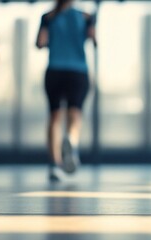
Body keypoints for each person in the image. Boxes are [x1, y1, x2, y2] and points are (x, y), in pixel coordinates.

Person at [36, 0, 96, 181]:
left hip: (55, 69)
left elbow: (40, 42)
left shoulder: (48, 16)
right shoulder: (86, 16)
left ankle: (55, 164)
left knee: (55, 116)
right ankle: (71, 140)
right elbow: (94, 39)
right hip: (78, 71)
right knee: (75, 112)